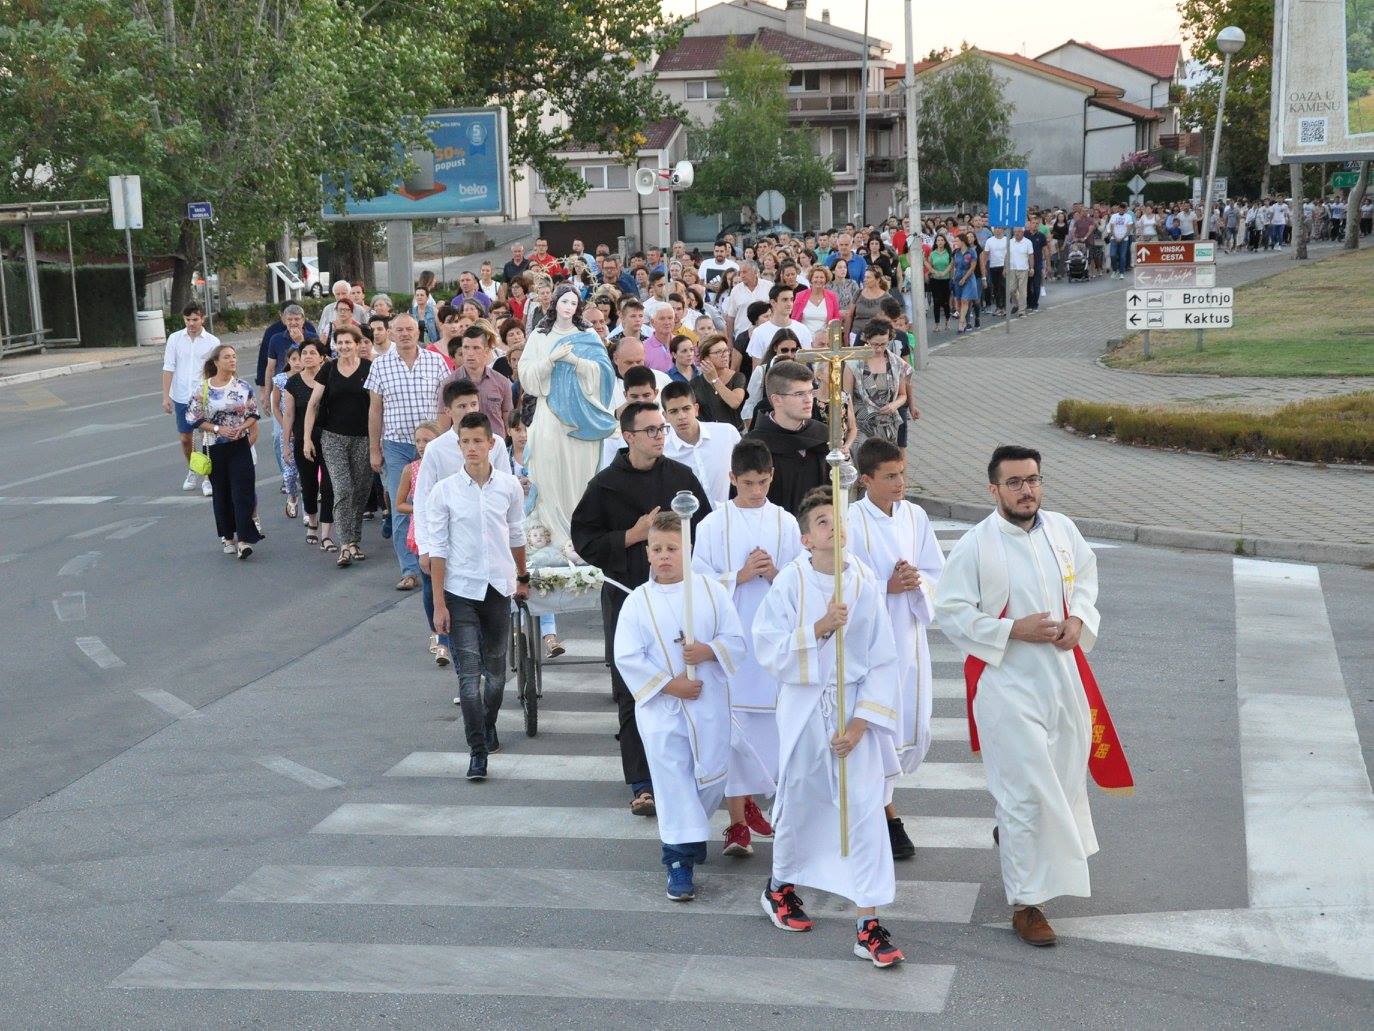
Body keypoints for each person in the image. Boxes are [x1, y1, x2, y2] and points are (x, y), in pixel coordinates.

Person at [935, 445, 1115, 948]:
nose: (1026, 490)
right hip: (1007, 685)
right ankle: (1027, 903)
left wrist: (1078, 620)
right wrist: (1013, 629)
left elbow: (1085, 579)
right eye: (1014, 482)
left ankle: (1020, 844)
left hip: (1060, 677)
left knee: (1058, 780)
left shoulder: (1062, 529)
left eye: (1032, 480)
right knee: (1024, 794)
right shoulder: (977, 544)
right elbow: (950, 611)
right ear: (993, 490)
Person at [754, 486, 905, 967]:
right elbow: (767, 647)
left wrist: (861, 724)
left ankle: (869, 924)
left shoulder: (862, 581)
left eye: (837, 518)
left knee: (863, 809)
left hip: (853, 711)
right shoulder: (792, 584)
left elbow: (883, 658)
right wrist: (817, 630)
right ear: (805, 538)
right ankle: (780, 886)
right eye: (821, 521)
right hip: (805, 708)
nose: (832, 527)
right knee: (801, 799)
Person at [570, 400, 711, 817]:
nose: (659, 436)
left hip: (678, 598)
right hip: (628, 596)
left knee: (685, 683)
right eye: (650, 430)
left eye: (661, 429)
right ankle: (642, 782)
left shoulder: (681, 478)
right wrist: (632, 535)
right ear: (628, 437)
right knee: (636, 689)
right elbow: (585, 541)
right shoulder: (605, 485)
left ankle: (684, 771)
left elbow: (705, 531)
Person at [614, 510, 745, 901]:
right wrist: (672, 685)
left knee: (710, 777)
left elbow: (735, 639)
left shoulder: (710, 592)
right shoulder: (638, 601)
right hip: (663, 711)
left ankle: (689, 836)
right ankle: (678, 860)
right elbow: (627, 656)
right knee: (672, 784)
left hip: (707, 706)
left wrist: (707, 650)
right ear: (648, 554)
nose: (665, 555)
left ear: (687, 550)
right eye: (657, 549)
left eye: (673, 548)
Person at [692, 439, 801, 858]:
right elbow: (699, 584)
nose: (757, 490)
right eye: (748, 483)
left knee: (770, 731)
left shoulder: (786, 523)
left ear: (773, 476)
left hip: (771, 642)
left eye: (763, 482)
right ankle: (736, 823)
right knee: (735, 733)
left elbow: (799, 578)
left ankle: (755, 800)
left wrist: (774, 573)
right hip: (733, 640)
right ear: (732, 479)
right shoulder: (712, 526)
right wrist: (737, 575)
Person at [848, 437, 944, 861]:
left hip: (908, 632)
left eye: (902, 473)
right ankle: (885, 817)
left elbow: (937, 569)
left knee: (910, 723)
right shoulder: (851, 520)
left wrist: (917, 581)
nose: (900, 482)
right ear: (866, 480)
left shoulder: (915, 516)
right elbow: (843, 580)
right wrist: (884, 586)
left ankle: (881, 807)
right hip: (872, 642)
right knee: (876, 725)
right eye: (890, 477)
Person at [430, 413, 530, 781]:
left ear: (491, 444)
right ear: (459, 447)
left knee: (497, 674)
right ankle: (477, 751)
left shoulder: (508, 486)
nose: (472, 448)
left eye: (478, 441)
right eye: (465, 442)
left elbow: (516, 535)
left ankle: (488, 724)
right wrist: (439, 603)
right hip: (460, 591)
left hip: (498, 589)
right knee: (469, 678)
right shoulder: (445, 491)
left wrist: (522, 577)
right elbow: (438, 548)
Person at [519, 284, 617, 549]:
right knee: (549, 469)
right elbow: (526, 375)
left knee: (580, 472)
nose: (568, 307)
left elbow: (605, 373)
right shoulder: (540, 336)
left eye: (574, 303)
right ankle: (554, 533)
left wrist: (575, 362)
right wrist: (549, 361)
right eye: (564, 301)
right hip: (549, 415)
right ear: (554, 303)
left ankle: (580, 534)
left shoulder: (587, 335)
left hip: (581, 419)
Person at [364, 313, 451, 591]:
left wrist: (441, 437)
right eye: (399, 330)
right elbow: (375, 409)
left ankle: (440, 562)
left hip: (432, 446)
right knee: (402, 508)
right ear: (390, 333)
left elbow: (444, 405)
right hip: (397, 445)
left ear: (418, 332)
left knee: (437, 503)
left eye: (409, 329)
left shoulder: (435, 361)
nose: (404, 334)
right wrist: (374, 448)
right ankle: (410, 569)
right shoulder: (379, 365)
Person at [303, 325, 373, 568]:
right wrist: (306, 438)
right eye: (339, 343)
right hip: (333, 437)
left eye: (348, 342)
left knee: (361, 489)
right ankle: (344, 545)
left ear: (357, 344)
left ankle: (354, 539)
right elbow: (313, 404)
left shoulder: (369, 368)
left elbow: (377, 405)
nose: (343, 347)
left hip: (364, 437)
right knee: (342, 488)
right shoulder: (328, 369)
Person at [185, 344, 262, 559]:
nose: (232, 360)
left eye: (234, 357)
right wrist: (219, 428)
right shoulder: (204, 389)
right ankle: (228, 536)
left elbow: (253, 414)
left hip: (239, 446)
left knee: (243, 492)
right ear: (216, 362)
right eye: (227, 357)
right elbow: (192, 418)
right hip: (214, 447)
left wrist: (242, 427)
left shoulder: (242, 387)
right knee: (222, 493)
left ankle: (244, 540)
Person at [396, 420, 450, 666]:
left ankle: (448, 634)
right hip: (423, 532)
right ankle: (437, 632)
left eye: (426, 440)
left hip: (448, 529)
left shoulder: (447, 465)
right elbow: (400, 503)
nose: (420, 445)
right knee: (430, 584)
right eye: (417, 440)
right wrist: (420, 508)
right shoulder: (411, 469)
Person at [743, 360, 828, 514]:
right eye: (799, 394)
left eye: (810, 391)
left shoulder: (821, 434)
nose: (809, 399)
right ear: (776, 400)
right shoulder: (753, 446)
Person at [162, 304, 222, 495]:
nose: (191, 323)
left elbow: (217, 371)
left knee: (206, 438)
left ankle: (208, 478)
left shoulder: (212, 342)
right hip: (181, 396)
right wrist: (166, 397)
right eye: (188, 320)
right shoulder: (175, 339)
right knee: (186, 438)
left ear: (202, 319)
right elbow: (168, 367)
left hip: (204, 396)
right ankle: (194, 469)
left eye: (195, 319)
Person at [281, 339, 334, 548]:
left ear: (322, 357)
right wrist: (286, 444)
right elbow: (289, 415)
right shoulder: (293, 383)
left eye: (313, 353)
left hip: (330, 438)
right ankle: (312, 522)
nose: (308, 356)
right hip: (304, 440)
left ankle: (326, 531)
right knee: (309, 483)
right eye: (304, 353)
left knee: (328, 485)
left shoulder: (330, 378)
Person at [661, 380, 740, 507]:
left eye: (686, 409)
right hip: (686, 522)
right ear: (665, 416)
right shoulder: (662, 449)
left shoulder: (727, 433)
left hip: (726, 518)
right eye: (674, 411)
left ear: (696, 409)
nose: (681, 416)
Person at [438, 324, 513, 438]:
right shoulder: (449, 384)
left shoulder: (501, 382)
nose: (470, 353)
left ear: (486, 351)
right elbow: (443, 423)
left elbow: (508, 416)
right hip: (462, 448)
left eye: (476, 348)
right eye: (466, 347)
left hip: (495, 446)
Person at [843, 320, 906, 449]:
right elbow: (846, 398)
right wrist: (850, 426)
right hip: (860, 426)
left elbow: (903, 395)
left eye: (883, 344)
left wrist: (894, 405)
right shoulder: (853, 363)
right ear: (867, 340)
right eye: (875, 344)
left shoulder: (896, 363)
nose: (879, 348)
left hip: (887, 426)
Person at [270, 345, 303, 520]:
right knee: (290, 472)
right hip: (288, 430)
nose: (298, 363)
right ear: (288, 361)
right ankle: (292, 496)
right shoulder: (280, 379)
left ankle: (308, 512)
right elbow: (276, 405)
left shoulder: (311, 377)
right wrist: (285, 427)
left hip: (305, 429)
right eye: (294, 359)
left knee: (307, 473)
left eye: (300, 358)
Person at [690, 333, 746, 430]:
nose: (725, 355)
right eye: (718, 352)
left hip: (733, 433)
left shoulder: (737, 377)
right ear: (706, 358)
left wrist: (715, 380)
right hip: (708, 434)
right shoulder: (695, 383)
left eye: (726, 351)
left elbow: (735, 402)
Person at [1007, 227, 1034, 318]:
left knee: (1022, 291)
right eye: (1015, 232)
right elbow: (1007, 255)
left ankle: (1021, 311)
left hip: (1023, 269)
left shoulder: (1028, 242)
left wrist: (1032, 268)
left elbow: (1031, 256)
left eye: (1019, 231)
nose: (1016, 233)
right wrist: (1004, 268)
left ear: (1023, 232)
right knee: (1011, 289)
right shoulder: (1010, 242)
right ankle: (1016, 304)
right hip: (1012, 269)